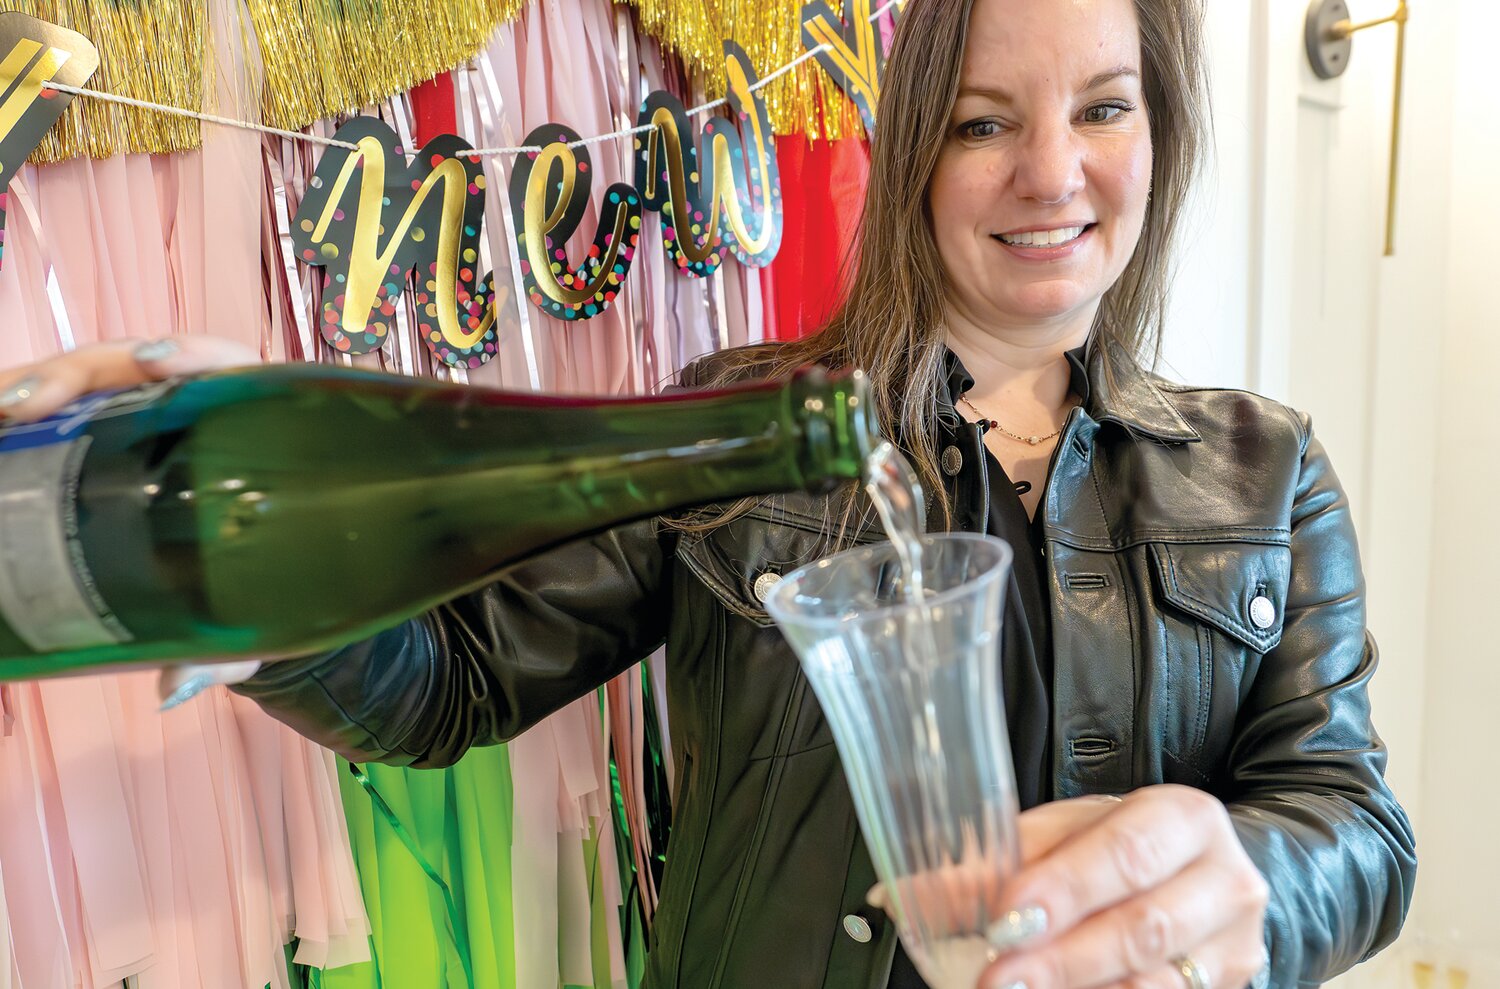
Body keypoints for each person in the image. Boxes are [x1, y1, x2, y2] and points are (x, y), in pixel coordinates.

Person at [0, 0, 1415, 987]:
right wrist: (258, 605)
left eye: (1103, 106)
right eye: (985, 122)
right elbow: (453, 682)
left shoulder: (1264, 465)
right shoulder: (743, 429)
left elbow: (1353, 823)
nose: (1053, 171)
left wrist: (1251, 884)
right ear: (917, 145)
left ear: (1159, 132)